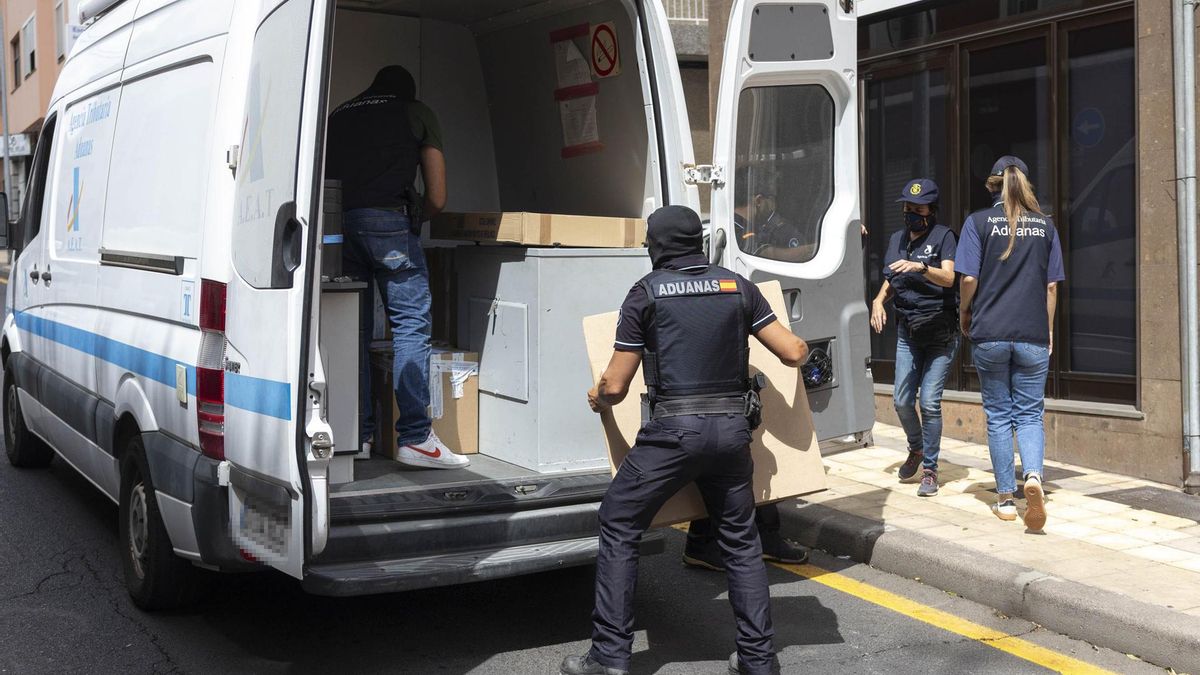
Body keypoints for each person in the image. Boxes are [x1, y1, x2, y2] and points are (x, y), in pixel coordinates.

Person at [559, 206, 806, 675]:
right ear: (699, 241)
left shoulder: (646, 294)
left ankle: (609, 658)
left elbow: (615, 386)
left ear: (655, 246)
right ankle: (757, 659)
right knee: (740, 539)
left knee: (618, 521)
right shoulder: (738, 287)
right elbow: (793, 352)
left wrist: (598, 396)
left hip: (672, 434)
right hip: (733, 434)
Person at [325, 65, 468, 470]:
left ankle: (360, 435)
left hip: (338, 225)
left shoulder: (339, 114)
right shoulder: (416, 112)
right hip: (388, 222)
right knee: (410, 326)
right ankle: (416, 438)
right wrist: (410, 220)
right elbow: (437, 195)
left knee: (352, 331)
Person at [956, 156, 1063, 531]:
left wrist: (964, 312)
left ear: (992, 186)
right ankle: (1032, 477)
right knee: (1031, 413)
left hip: (991, 333)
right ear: (1025, 185)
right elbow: (1051, 286)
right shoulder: (1046, 226)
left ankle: (1004, 498)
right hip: (1032, 333)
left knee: (1000, 416)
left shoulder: (978, 222)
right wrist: (1047, 328)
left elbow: (968, 279)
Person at [869, 179, 959, 497]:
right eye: (907, 208)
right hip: (908, 332)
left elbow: (949, 278)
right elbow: (892, 278)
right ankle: (917, 449)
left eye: (918, 209)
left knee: (930, 402)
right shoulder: (897, 239)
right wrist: (879, 300)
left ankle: (931, 471)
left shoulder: (944, 237)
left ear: (931, 210)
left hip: (940, 332)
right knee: (902, 401)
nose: (911, 213)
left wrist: (922, 268)